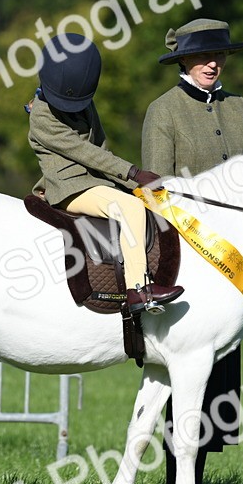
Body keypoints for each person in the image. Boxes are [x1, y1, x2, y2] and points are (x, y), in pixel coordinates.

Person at [141, 18, 243, 484]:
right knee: (182, 381)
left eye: (221, 55)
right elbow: (155, 190)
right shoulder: (162, 111)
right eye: (205, 56)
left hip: (233, 268)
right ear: (183, 60)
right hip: (184, 261)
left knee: (215, 386)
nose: (214, 63)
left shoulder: (238, 106)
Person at [28, 33, 183, 315]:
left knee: (143, 201)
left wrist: (127, 181)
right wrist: (134, 172)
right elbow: (84, 152)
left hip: (95, 183)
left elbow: (100, 145)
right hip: (68, 188)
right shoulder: (40, 116)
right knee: (131, 208)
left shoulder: (86, 102)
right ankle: (139, 289)